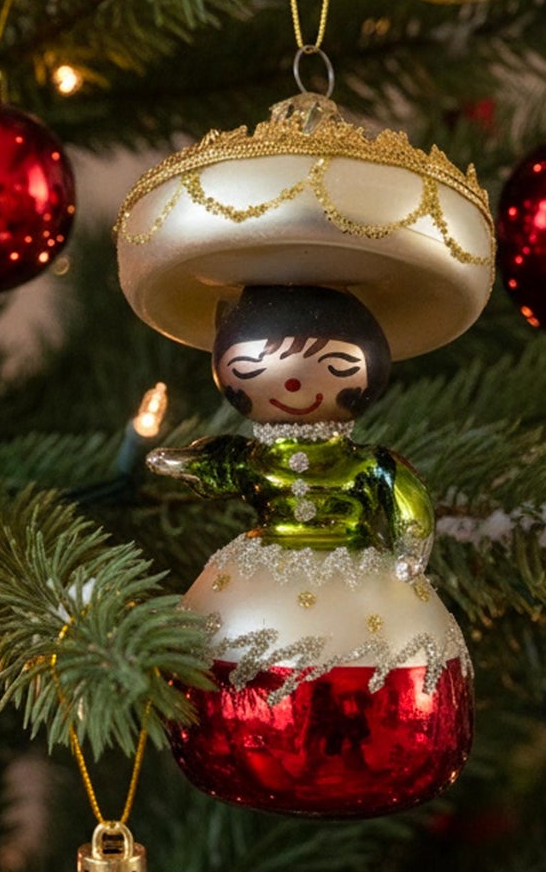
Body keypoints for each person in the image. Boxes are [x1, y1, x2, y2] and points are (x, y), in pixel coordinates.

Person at [149, 284, 472, 817]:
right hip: (259, 570)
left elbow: (405, 497)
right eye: (254, 369)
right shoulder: (257, 458)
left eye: (333, 366)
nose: (294, 383)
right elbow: (225, 462)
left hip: (361, 570)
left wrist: (412, 550)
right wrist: (184, 462)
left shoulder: (365, 463)